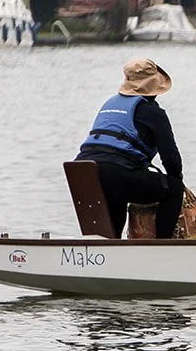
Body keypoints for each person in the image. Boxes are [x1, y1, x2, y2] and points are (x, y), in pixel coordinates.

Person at [75, 57, 183, 239]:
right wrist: (177, 180)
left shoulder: (110, 103)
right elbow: (171, 160)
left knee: (117, 194)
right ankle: (163, 248)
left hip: (82, 171)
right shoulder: (154, 113)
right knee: (174, 189)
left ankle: (109, 248)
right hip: (116, 172)